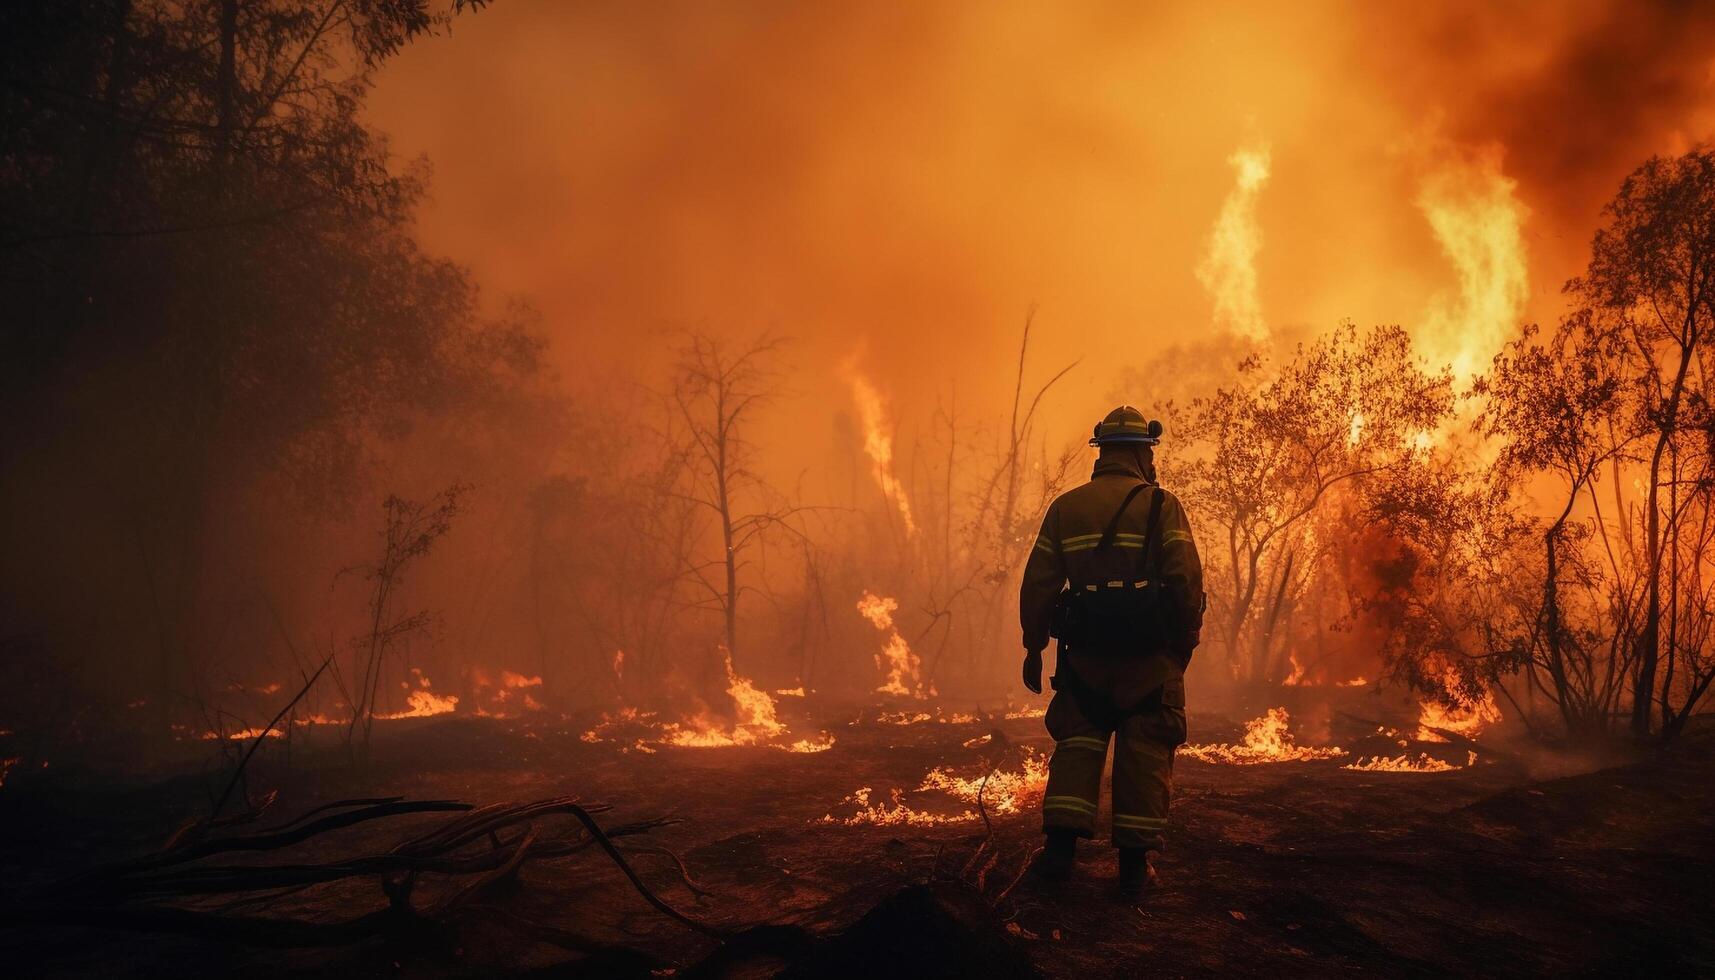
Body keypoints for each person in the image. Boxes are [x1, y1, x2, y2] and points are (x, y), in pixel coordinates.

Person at [1018, 405, 1204, 897]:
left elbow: (1038, 584)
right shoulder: (1163, 507)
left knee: (1077, 748)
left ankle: (1059, 855)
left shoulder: (1066, 508)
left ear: (1101, 451)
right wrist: (1183, 645)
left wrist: (1034, 646)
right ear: (1145, 452)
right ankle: (1134, 869)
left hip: (1085, 660)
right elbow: (1186, 581)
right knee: (1145, 753)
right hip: (1150, 661)